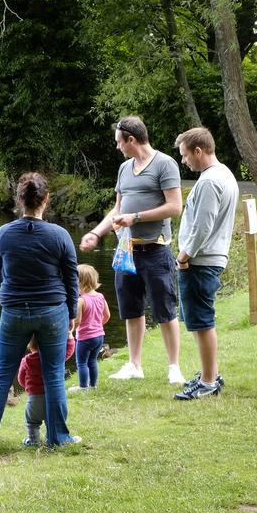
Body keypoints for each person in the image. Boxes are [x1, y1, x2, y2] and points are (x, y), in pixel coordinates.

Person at [0, 172, 81, 448]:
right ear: (46, 200)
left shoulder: (3, 234)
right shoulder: (60, 235)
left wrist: (15, 288)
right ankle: (59, 438)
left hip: (14, 311)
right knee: (54, 373)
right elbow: (71, 277)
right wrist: (72, 312)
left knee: (2, 373)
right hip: (53, 312)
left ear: (19, 199)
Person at [79, 115, 185, 385]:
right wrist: (96, 233)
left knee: (165, 310)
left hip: (156, 251)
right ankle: (134, 364)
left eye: (119, 143)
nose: (117, 148)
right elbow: (117, 211)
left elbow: (175, 207)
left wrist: (136, 217)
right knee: (131, 309)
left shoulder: (165, 164)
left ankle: (174, 367)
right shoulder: (125, 169)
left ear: (132, 140)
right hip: (126, 252)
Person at [172, 126, 240, 400]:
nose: (184, 161)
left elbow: (203, 226)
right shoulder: (223, 175)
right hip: (207, 259)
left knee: (202, 321)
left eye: (185, 155)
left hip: (201, 261)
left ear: (198, 151)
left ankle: (209, 381)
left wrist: (184, 254)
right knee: (200, 320)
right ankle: (209, 372)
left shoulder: (211, 181)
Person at [19, 330, 78, 446]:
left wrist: (30, 387)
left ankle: (33, 441)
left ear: (30, 345)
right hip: (52, 398)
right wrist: (69, 335)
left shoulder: (26, 360)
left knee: (32, 423)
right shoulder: (54, 357)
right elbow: (69, 350)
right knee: (51, 420)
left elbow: (21, 379)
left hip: (33, 400)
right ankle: (51, 439)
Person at [75, 264, 111, 389]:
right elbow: (107, 316)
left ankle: (83, 387)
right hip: (99, 336)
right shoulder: (100, 297)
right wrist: (97, 325)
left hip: (85, 338)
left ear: (80, 282)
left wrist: (70, 330)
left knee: (81, 363)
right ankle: (93, 385)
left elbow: (78, 321)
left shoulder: (81, 301)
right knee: (92, 361)